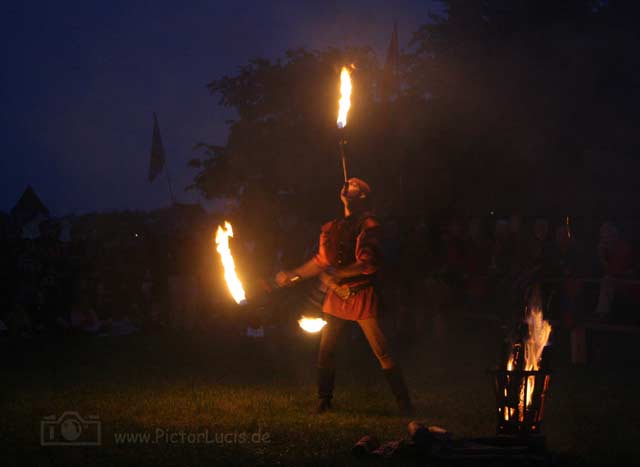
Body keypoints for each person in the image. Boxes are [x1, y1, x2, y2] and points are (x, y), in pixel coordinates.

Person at [275, 178, 413, 415]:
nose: (347, 186)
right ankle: (324, 399)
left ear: (362, 196)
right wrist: (294, 274)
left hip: (360, 293)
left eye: (354, 186)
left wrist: (338, 273)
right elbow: (321, 261)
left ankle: (404, 403)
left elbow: (368, 264)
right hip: (336, 296)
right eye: (346, 184)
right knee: (326, 349)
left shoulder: (369, 225)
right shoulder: (333, 226)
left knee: (382, 351)